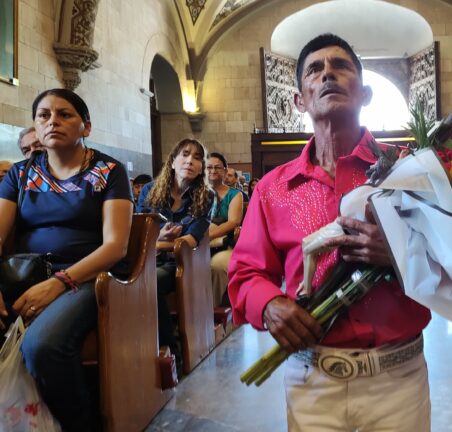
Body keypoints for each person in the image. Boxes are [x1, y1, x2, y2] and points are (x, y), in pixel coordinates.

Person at [228, 33, 431, 431]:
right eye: (315, 69)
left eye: (341, 66)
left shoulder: (410, 173)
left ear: (365, 93)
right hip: (311, 381)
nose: (328, 75)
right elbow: (245, 274)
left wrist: (398, 251)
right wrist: (269, 305)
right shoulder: (273, 189)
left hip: (397, 380)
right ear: (299, 100)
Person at [0, 88, 133, 431]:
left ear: (86, 127)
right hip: (26, 275)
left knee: (43, 345)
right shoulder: (19, 175)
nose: (52, 121)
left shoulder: (109, 171)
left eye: (65, 114)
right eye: (43, 115)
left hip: (89, 279)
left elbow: (115, 246)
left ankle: (81, 424)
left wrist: (59, 283)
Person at [136, 138, 213, 361]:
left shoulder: (205, 196)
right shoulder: (150, 190)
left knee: (152, 281)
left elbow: (190, 240)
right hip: (148, 259)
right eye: (185, 154)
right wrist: (159, 237)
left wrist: (156, 241)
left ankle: (171, 352)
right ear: (172, 161)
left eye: (197, 158)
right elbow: (140, 234)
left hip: (181, 263)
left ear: (201, 169)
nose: (190, 161)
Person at [206, 152, 243, 306]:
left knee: (217, 266)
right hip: (198, 245)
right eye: (209, 167)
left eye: (217, 168)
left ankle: (213, 311)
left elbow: (233, 221)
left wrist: (207, 236)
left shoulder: (235, 194)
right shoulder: (197, 193)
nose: (213, 171)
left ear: (225, 170)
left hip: (226, 244)